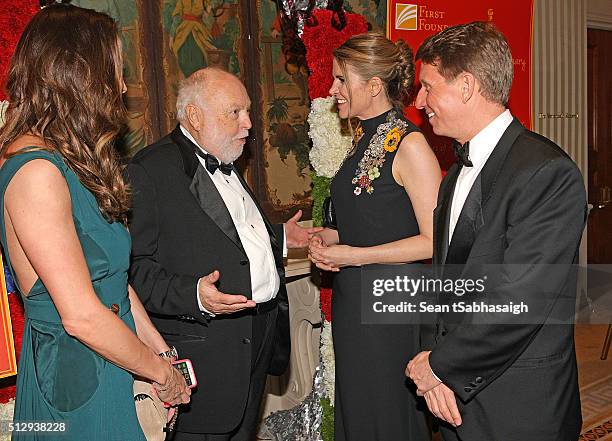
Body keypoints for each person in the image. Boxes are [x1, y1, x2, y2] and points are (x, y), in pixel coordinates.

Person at [0, 5, 190, 441]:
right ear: (78, 75)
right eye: (115, 71)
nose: (122, 86)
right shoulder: (35, 172)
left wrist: (162, 354)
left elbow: (113, 282)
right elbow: (82, 316)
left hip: (116, 360)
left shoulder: (71, 163)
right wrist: (159, 372)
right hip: (75, 385)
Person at [406, 22, 586, 441]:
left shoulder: (547, 172)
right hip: (452, 397)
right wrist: (431, 363)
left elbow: (520, 299)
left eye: (428, 87)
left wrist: (440, 366)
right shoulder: (454, 174)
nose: (419, 101)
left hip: (518, 403)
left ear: (466, 85)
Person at [126, 67, 320, 441]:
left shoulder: (226, 156)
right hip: (206, 349)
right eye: (235, 112)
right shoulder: (150, 170)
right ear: (195, 116)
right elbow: (134, 271)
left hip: (258, 335)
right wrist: (194, 295)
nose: (248, 123)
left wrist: (278, 236)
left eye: (247, 111)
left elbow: (227, 233)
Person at [308, 32, 441, 441]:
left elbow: (434, 240)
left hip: (390, 306)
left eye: (341, 80)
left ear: (373, 86)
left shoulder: (409, 144)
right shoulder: (363, 138)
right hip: (355, 303)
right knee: (361, 411)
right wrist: (331, 238)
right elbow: (376, 221)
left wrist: (354, 255)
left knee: (386, 414)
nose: (333, 90)